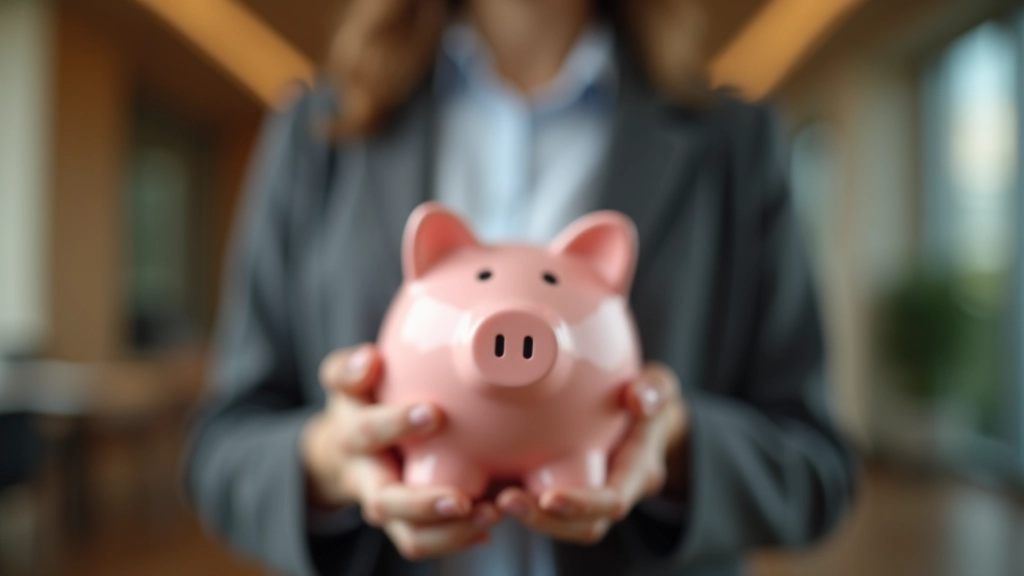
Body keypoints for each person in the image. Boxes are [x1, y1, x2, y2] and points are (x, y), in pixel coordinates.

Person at [184, 0, 858, 574]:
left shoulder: (732, 142)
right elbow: (221, 453)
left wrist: (674, 453)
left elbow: (818, 468)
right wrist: (331, 463)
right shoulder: (318, 132)